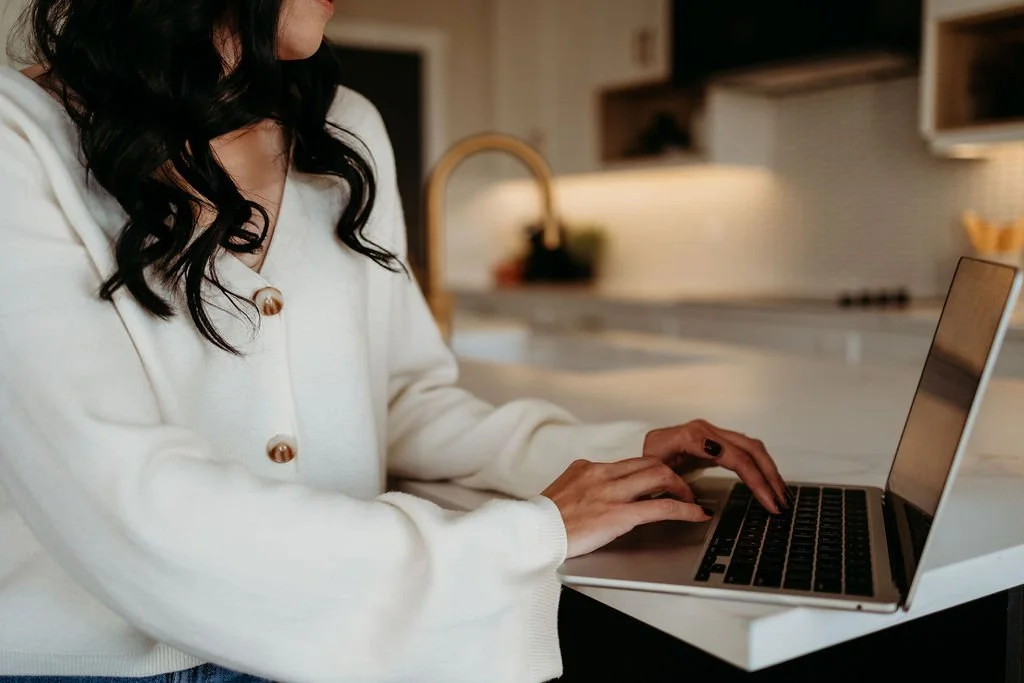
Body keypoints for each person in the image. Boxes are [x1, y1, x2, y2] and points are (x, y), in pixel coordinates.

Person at [0, 1, 789, 681]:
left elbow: (401, 400)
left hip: (342, 639)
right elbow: (128, 505)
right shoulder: (18, 143)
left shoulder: (344, 130)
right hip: (108, 664)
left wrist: (617, 456)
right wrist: (525, 533)